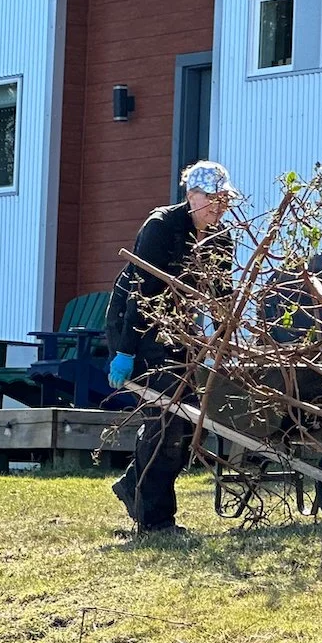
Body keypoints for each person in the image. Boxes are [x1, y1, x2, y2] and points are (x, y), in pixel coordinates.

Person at [103, 160, 236, 533]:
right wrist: (126, 351)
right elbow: (140, 293)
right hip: (137, 326)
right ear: (191, 195)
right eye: (210, 198)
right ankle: (155, 520)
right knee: (168, 420)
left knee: (191, 420)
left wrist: (228, 341)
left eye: (223, 199)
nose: (217, 207)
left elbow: (221, 295)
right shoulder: (161, 227)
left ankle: (134, 487)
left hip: (178, 330)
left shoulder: (221, 237)